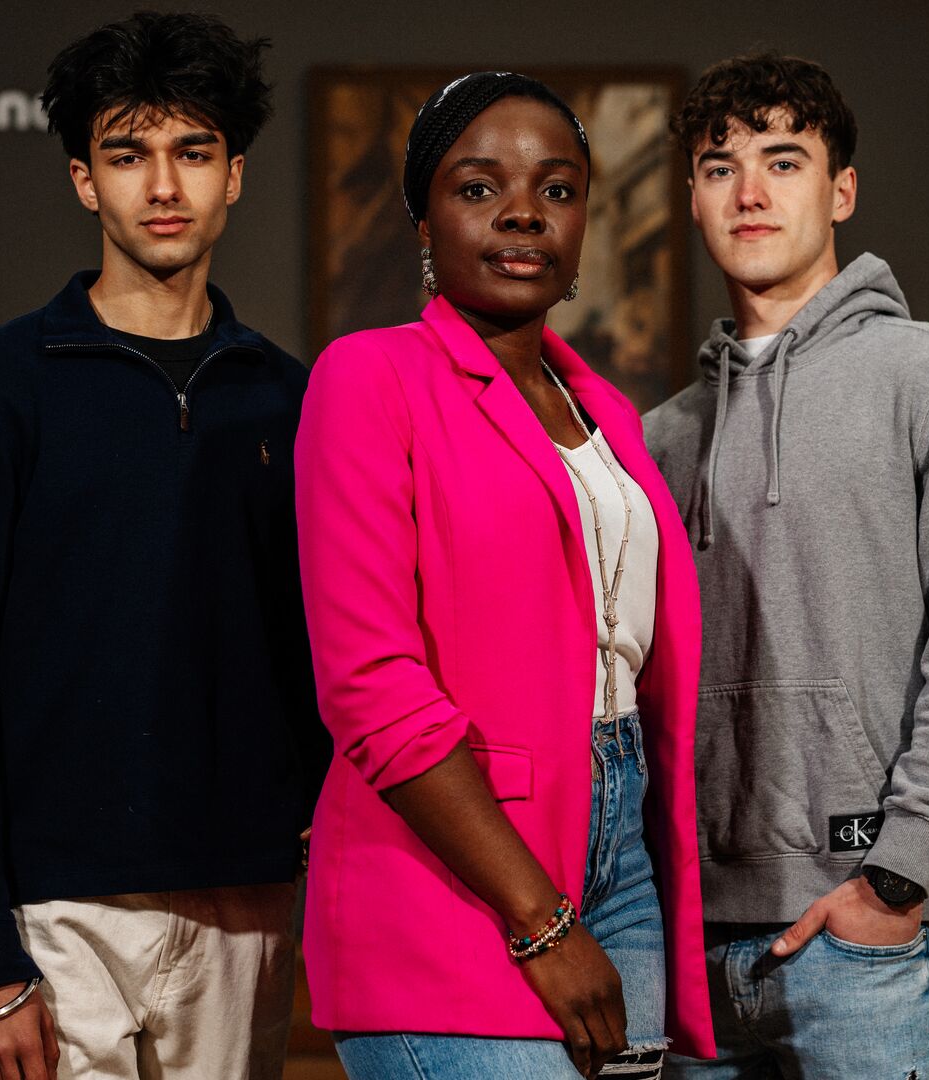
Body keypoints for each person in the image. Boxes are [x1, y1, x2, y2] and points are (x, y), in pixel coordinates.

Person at [0, 12, 328, 1080]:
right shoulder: (0, 389)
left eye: (193, 153)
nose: (164, 186)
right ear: (85, 180)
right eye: (129, 156)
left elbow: (322, 654)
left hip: (244, 911)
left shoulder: (290, 397)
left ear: (237, 175)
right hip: (51, 918)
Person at [294, 72, 714, 1080]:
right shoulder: (368, 377)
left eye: (558, 191)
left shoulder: (606, 411)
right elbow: (371, 686)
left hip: (622, 856)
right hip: (459, 871)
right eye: (479, 188)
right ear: (423, 224)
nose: (524, 211)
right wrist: (539, 923)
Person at [643, 52, 929, 1080]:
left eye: (784, 161)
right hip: (689, 951)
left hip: (867, 946)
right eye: (719, 165)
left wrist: (896, 882)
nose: (750, 192)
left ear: (842, 190)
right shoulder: (662, 439)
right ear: (691, 196)